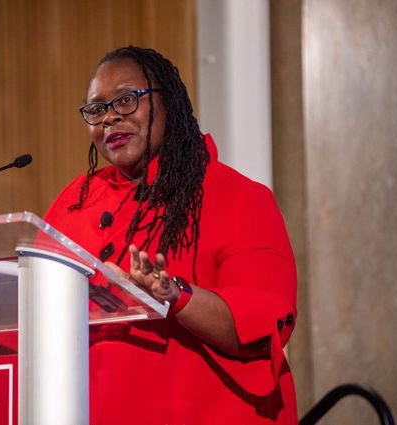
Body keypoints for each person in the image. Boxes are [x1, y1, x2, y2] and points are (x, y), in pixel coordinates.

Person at [43, 46, 298, 424]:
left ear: (169, 104)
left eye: (127, 100)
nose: (110, 118)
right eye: (96, 109)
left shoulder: (238, 197)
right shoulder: (74, 202)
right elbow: (32, 318)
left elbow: (265, 324)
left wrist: (175, 296)